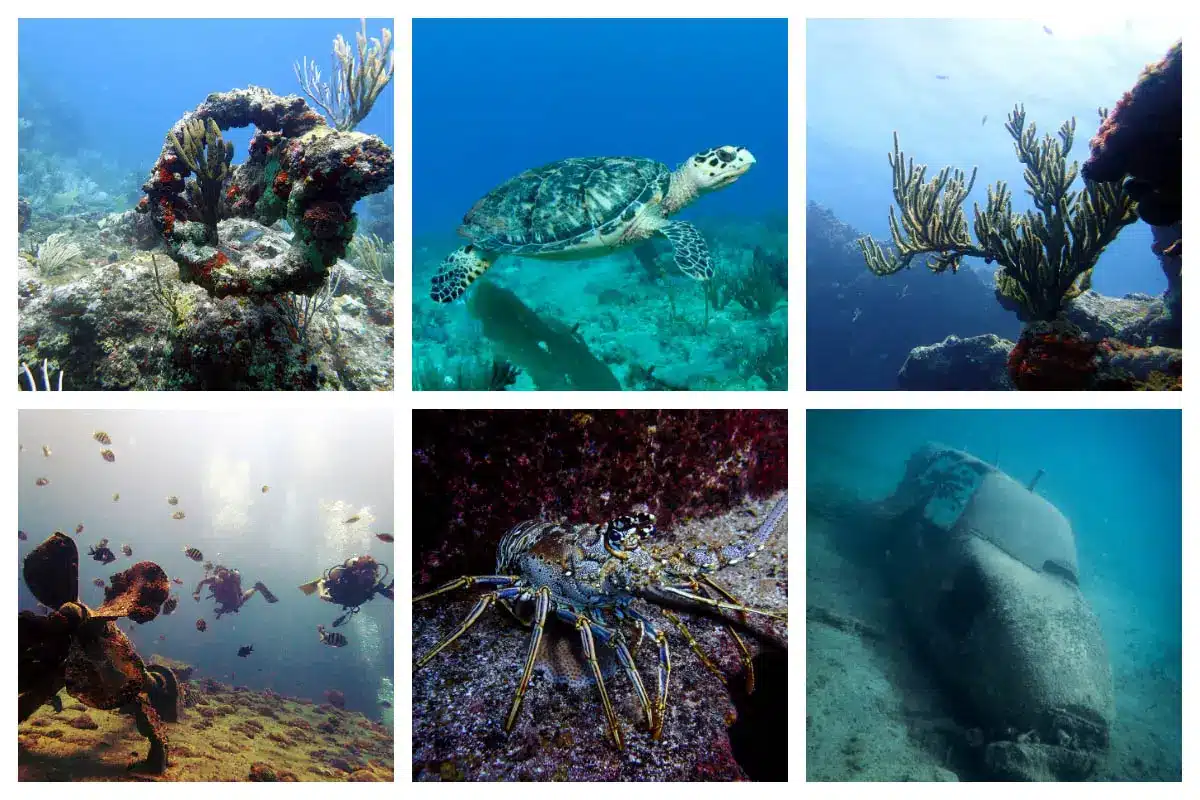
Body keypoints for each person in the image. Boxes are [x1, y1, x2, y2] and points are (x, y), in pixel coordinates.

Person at [298, 555, 393, 626]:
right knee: (329, 582)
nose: (367, 577)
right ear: (358, 572)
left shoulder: (373, 582)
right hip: (337, 595)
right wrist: (322, 594)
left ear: (374, 574)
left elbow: (390, 594)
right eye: (365, 573)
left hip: (350, 601)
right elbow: (321, 584)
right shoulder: (349, 575)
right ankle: (326, 577)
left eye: (370, 574)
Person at [193, 565, 278, 619]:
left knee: (239, 601)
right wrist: (196, 593)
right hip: (231, 597)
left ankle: (257, 587)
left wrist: (197, 593)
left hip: (232, 595)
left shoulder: (219, 579)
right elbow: (202, 582)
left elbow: (203, 582)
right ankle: (257, 587)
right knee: (239, 601)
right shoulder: (216, 581)